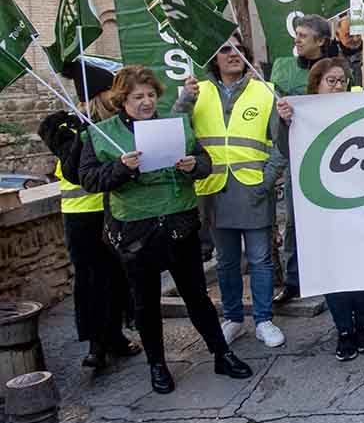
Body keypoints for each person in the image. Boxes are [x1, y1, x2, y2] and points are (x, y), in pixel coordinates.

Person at [78, 66, 253, 394]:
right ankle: (157, 365)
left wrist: (193, 166)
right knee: (145, 301)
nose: (146, 102)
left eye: (150, 95)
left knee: (196, 295)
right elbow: (89, 179)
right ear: (122, 100)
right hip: (135, 231)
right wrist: (120, 168)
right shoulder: (101, 133)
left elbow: (205, 162)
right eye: (137, 97)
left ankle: (221, 353)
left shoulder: (176, 125)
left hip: (179, 225)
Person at [176, 34, 286, 350]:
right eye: (225, 48)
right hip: (213, 189)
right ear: (215, 58)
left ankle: (264, 320)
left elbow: (279, 143)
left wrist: (266, 181)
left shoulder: (264, 91)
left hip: (253, 187)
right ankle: (234, 318)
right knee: (226, 261)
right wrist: (184, 100)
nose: (232, 53)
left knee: (260, 259)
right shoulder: (198, 91)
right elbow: (177, 132)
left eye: (238, 48)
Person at [274, 58, 364, 361]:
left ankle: (363, 323)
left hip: (360, 201)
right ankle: (344, 329)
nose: (337, 86)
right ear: (316, 84)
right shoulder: (299, 113)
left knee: (361, 267)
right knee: (333, 269)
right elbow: (284, 149)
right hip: (320, 205)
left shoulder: (357, 107)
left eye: (342, 81)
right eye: (331, 81)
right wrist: (285, 122)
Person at [38, 91, 141, 371]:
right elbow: (52, 137)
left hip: (112, 210)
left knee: (115, 277)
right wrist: (78, 124)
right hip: (82, 215)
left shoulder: (114, 129)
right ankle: (96, 343)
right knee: (90, 281)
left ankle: (114, 335)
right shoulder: (72, 129)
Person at [269, 14, 331, 305]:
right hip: (297, 154)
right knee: (294, 221)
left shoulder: (336, 70)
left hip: (332, 154)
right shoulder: (282, 68)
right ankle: (294, 282)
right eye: (297, 33)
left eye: (304, 35)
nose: (297, 39)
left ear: (321, 41)